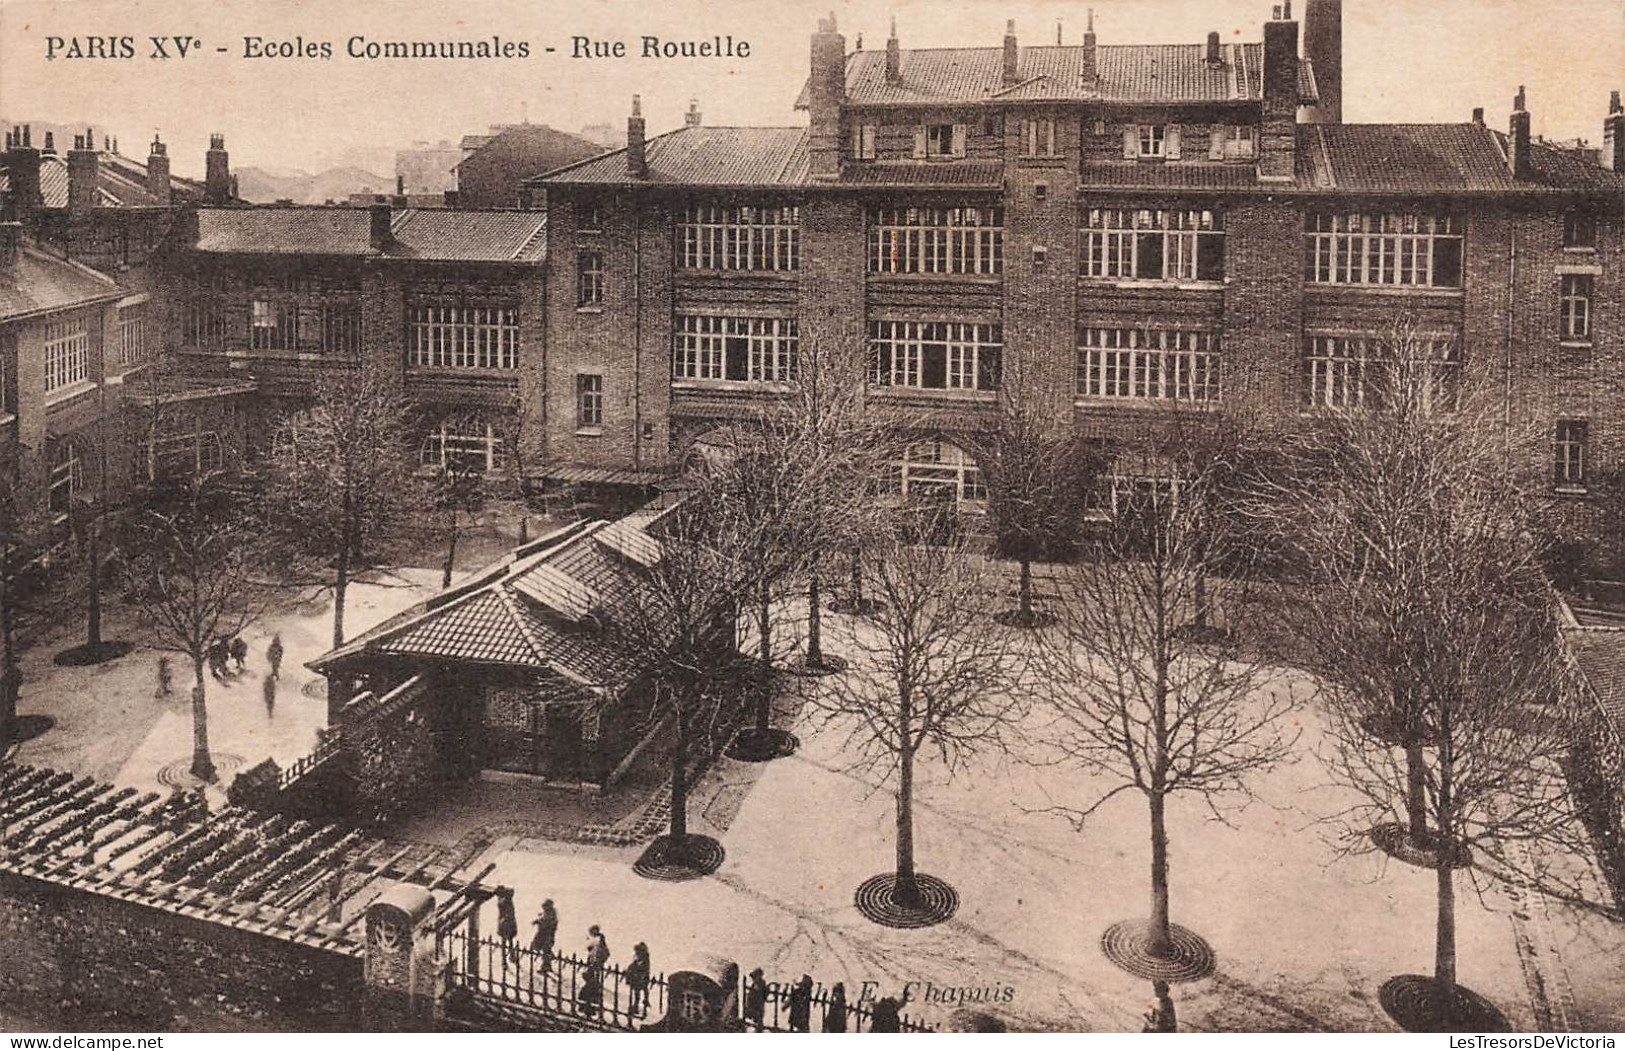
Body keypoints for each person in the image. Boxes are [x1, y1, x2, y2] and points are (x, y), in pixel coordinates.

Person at [530, 899, 558, 974]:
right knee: (541, 947)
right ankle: (549, 960)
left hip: (547, 935)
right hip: (543, 934)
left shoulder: (551, 914)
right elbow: (542, 918)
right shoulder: (547, 913)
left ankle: (545, 967)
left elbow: (545, 921)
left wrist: (538, 921)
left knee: (545, 949)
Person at [625, 942, 651, 1016]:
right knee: (637, 993)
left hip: (641, 978)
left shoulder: (645, 958)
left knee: (640, 992)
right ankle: (636, 1007)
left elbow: (643, 967)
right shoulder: (639, 957)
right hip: (637, 978)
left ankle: (642, 1005)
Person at [495, 886, 519, 965]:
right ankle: (511, 956)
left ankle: (504, 960)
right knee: (510, 940)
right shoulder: (508, 901)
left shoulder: (503, 901)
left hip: (504, 924)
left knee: (504, 942)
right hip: (510, 924)